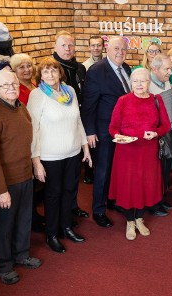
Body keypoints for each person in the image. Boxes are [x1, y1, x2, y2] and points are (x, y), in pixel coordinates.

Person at [0, 69, 42, 285]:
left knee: (24, 219)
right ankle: (3, 265)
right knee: (4, 226)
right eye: (5, 86)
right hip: (6, 182)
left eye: (14, 84)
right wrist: (0, 190)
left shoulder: (21, 108)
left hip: (25, 175)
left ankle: (21, 254)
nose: (11, 88)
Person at [28, 57, 91, 253]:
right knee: (53, 195)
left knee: (69, 191)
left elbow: (78, 121)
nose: (50, 75)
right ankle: (52, 234)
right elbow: (33, 130)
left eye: (53, 71)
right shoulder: (37, 95)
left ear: (59, 73)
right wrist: (36, 161)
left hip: (72, 152)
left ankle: (66, 227)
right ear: (40, 75)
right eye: (45, 72)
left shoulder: (69, 91)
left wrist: (85, 148)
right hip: (50, 156)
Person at [109, 68, 171, 240]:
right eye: (135, 81)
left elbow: (166, 125)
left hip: (148, 152)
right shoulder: (123, 100)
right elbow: (113, 127)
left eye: (142, 81)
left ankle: (139, 218)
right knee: (129, 186)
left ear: (149, 83)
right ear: (130, 83)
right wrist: (117, 136)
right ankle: (129, 221)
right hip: (126, 152)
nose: (138, 84)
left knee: (145, 184)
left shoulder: (156, 100)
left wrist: (156, 133)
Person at [82, 36, 132, 228]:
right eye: (116, 48)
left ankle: (111, 200)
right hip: (104, 130)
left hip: (123, 130)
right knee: (102, 171)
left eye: (123, 49)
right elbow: (88, 105)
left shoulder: (126, 68)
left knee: (115, 168)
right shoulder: (97, 71)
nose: (120, 52)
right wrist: (90, 131)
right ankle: (99, 210)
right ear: (107, 49)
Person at [53, 31, 94, 204]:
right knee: (60, 177)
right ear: (55, 47)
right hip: (59, 128)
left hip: (78, 121)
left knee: (74, 171)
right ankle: (63, 211)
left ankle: (72, 206)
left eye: (71, 45)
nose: (67, 49)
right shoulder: (52, 68)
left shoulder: (79, 68)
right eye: (63, 45)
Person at [149, 54, 172, 216]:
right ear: (154, 69)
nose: (170, 72)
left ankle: (161, 198)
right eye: (166, 69)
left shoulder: (166, 81)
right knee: (155, 171)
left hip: (169, 133)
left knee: (166, 169)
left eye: (170, 68)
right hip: (155, 136)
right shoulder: (146, 86)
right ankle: (153, 204)